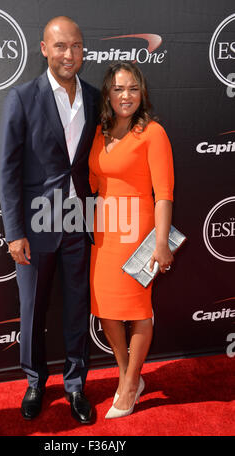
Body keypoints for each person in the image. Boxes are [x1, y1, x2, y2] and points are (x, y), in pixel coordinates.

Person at [0, 16, 99, 424]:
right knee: (33, 310)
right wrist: (14, 232)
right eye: (60, 46)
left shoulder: (93, 97)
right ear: (44, 49)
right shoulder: (21, 97)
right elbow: (7, 168)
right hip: (36, 223)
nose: (69, 54)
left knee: (77, 308)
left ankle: (75, 385)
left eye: (75, 46)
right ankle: (35, 382)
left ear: (83, 50)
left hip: (79, 218)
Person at [89, 62, 174, 419]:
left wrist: (161, 242)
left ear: (142, 94)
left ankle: (128, 385)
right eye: (119, 89)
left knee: (138, 310)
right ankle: (128, 374)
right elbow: (93, 181)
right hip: (104, 233)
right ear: (108, 93)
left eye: (133, 89)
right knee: (107, 309)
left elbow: (164, 193)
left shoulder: (153, 133)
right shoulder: (100, 132)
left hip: (139, 234)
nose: (126, 96)